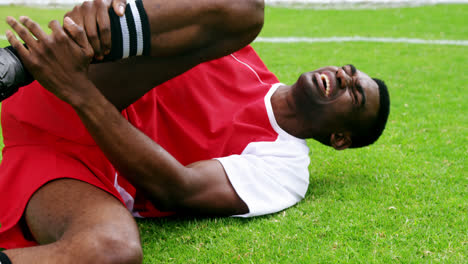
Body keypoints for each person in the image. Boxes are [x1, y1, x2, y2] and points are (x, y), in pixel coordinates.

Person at [0, 0, 390, 263]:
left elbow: (178, 188)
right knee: (244, 9)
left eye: (355, 94)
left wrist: (79, 93)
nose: (343, 77)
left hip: (80, 170)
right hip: (55, 87)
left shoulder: (286, 168)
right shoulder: (238, 53)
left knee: (114, 249)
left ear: (340, 138)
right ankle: (14, 65)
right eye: (350, 72)